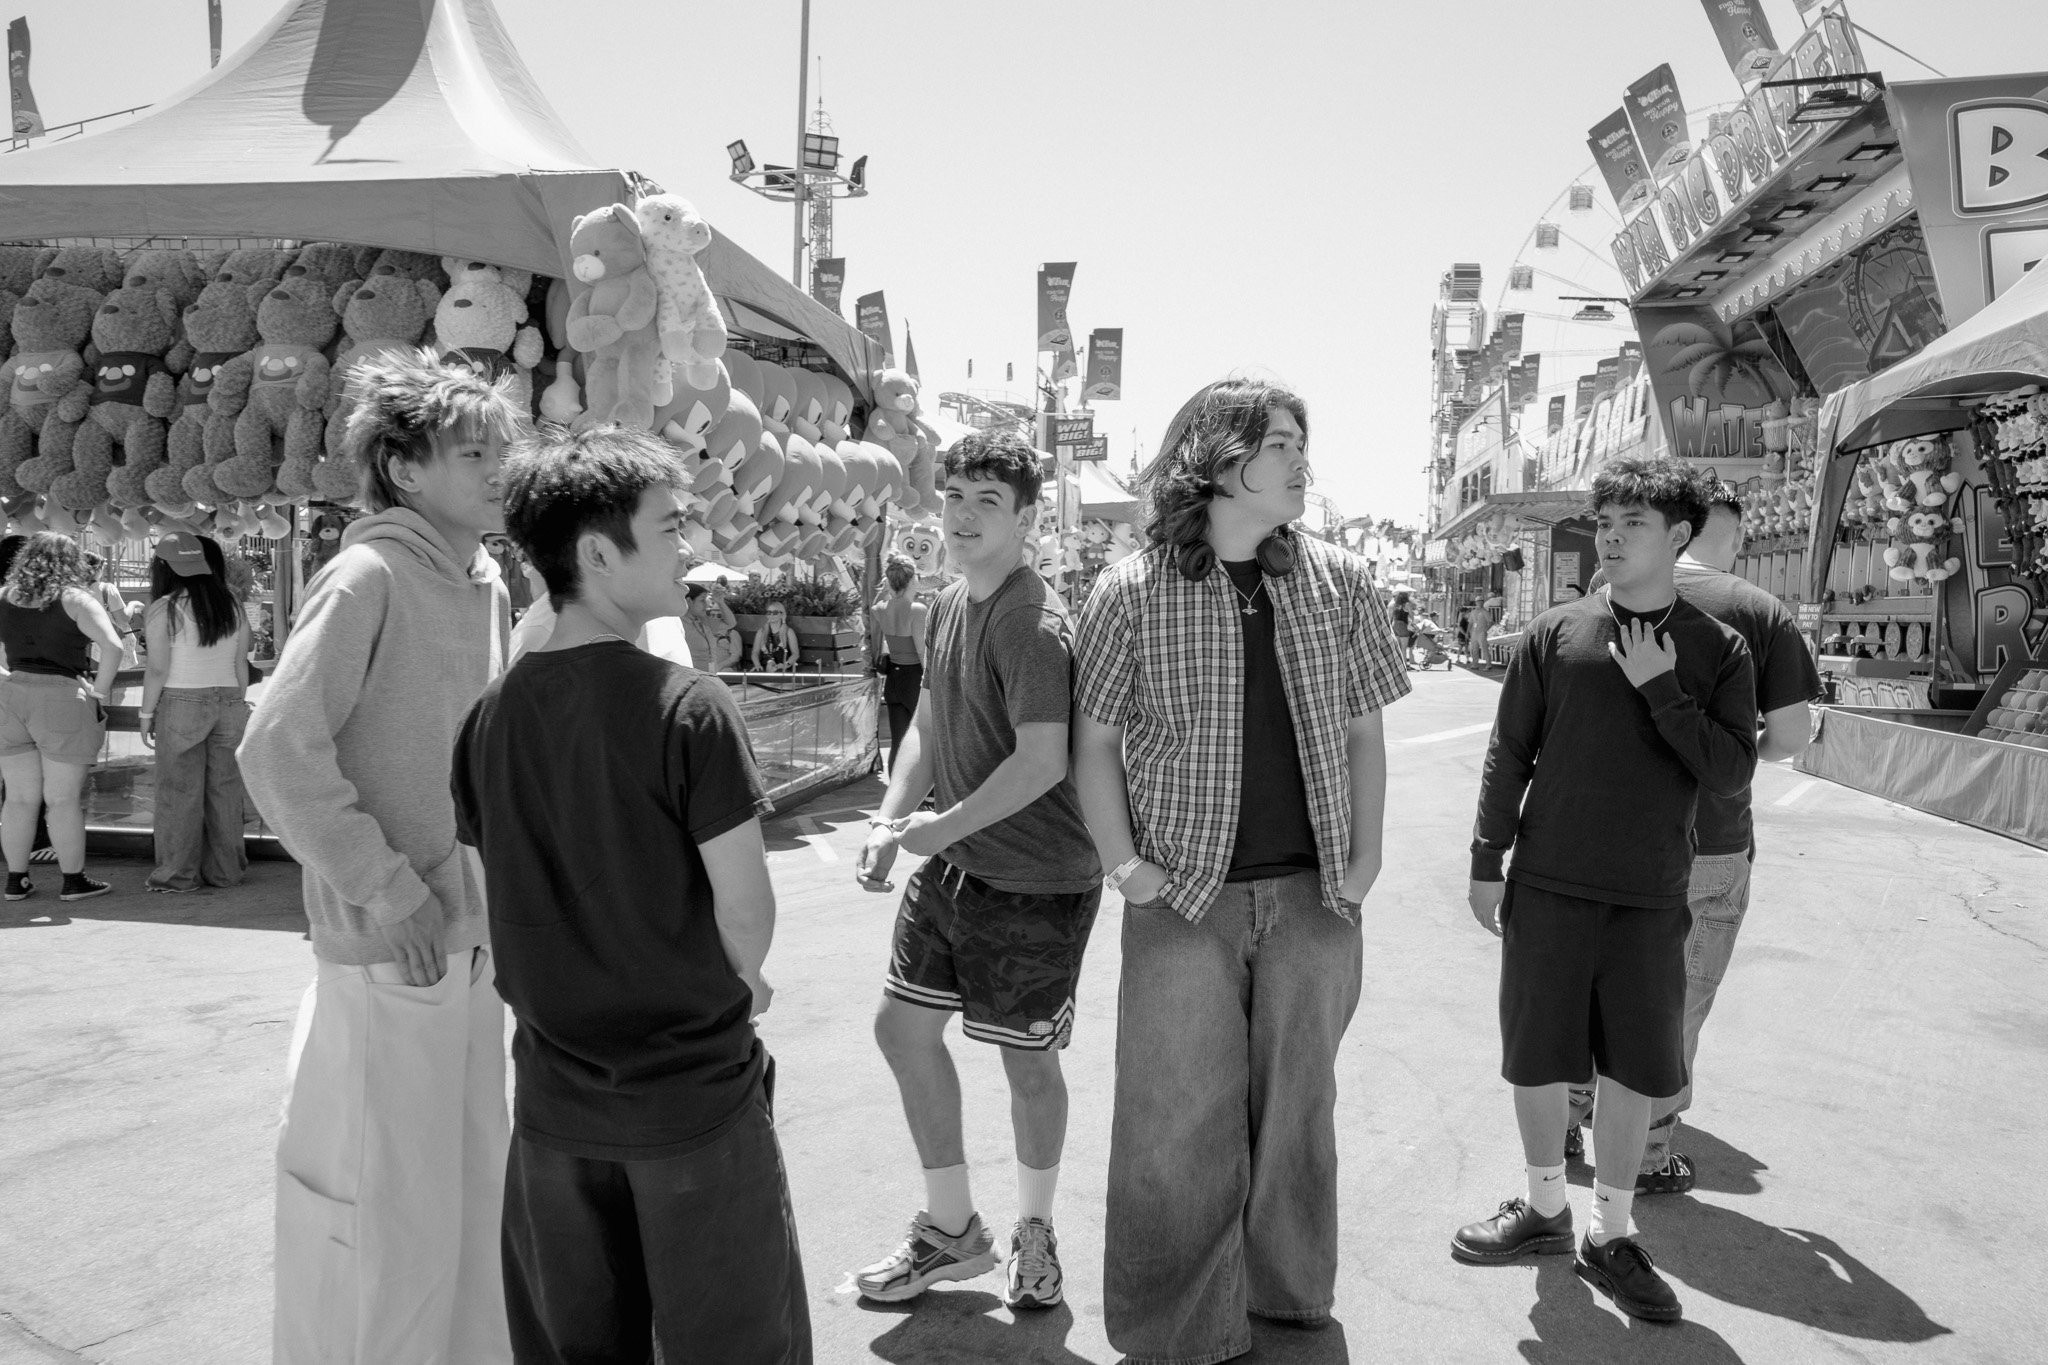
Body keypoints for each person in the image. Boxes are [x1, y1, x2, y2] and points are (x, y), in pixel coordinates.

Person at [1072, 378, 1409, 1363]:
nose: (1301, 459)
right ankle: (1178, 1330)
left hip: (1316, 898)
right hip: (1178, 897)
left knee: (1300, 1110)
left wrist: (1367, 857)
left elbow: (1362, 730)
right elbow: (1091, 744)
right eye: (1279, 442)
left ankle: (1288, 1301)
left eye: (1303, 440)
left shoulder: (1338, 580)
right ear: (1219, 459)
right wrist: (1123, 867)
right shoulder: (1128, 590)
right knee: (1171, 1123)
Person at [456, 426, 809, 1365]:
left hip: (552, 1110)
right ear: (599, 553)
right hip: (692, 1102)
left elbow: (498, 900)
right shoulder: (689, 705)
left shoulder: (486, 719)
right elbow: (748, 913)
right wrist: (746, 979)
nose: (689, 544)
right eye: (669, 527)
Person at [237, 351, 525, 1364]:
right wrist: (386, 889)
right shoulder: (366, 573)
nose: (499, 468)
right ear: (402, 467)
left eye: (502, 448)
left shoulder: (483, 581)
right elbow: (275, 746)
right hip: (386, 948)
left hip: (472, 949)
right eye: (470, 451)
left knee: (470, 1208)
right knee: (374, 1225)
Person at [1455, 457, 1757, 1325]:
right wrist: (1487, 859)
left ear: (1678, 537)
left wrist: (1661, 688)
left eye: (1634, 521)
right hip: (1547, 884)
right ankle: (1545, 1207)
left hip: (1651, 893)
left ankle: (1611, 1231)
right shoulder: (1555, 634)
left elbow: (1732, 769)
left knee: (1635, 1069)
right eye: (1607, 519)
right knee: (1538, 1054)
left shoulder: (1716, 648)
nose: (1614, 535)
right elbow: (1508, 753)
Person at [853, 428, 1102, 1311]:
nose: (961, 515)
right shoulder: (947, 601)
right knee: (902, 1029)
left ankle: (1034, 1230)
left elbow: (1041, 761)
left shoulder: (1036, 622)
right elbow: (925, 719)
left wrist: (938, 826)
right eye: (954, 496)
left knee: (1024, 1062)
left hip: (1036, 881)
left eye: (985, 501)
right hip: (951, 864)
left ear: (1026, 518)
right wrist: (891, 822)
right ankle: (953, 1231)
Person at [1563, 480, 1821, 1190]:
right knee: (1675, 1001)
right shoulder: (1760, 610)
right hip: (1710, 840)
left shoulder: (1610, 587)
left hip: (1601, 834)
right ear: (1723, 532)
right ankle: (1646, 1155)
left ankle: (1564, 1123)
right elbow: (1789, 739)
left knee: (1590, 983)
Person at [0, 533, 126, 902]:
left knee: (19, 799)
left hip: (11, 697)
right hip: (62, 697)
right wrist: (99, 691)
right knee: (62, 800)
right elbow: (113, 646)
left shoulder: (5, 595)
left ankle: (15, 881)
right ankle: (73, 882)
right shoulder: (75, 599)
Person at [138, 532, 253, 892]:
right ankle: (226, 871)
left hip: (182, 701)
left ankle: (176, 876)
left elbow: (157, 669)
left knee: (179, 793)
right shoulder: (232, 603)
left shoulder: (164, 608)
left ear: (164, 567)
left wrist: (145, 715)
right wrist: (233, 701)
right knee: (225, 790)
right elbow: (240, 665)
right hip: (231, 702)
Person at [872, 552, 928, 775]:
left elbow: (876, 603)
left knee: (898, 739)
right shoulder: (917, 610)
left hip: (893, 681)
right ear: (911, 579)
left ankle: (894, 786)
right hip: (913, 678)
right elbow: (922, 651)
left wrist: (887, 588)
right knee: (923, 736)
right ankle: (928, 792)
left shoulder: (880, 610)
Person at [682, 583, 738, 671]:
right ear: (689, 601)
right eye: (702, 600)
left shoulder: (703, 620)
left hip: (708, 676)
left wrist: (720, 602)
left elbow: (731, 623)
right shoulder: (678, 624)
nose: (706, 605)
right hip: (690, 678)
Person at [751, 599, 799, 672]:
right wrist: (757, 665)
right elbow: (755, 652)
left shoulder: (789, 632)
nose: (771, 615)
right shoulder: (761, 631)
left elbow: (795, 654)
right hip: (764, 665)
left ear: (782, 614)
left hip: (782, 666)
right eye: (769, 612)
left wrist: (786, 664)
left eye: (775, 612)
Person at [1392, 591, 1415, 668]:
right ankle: (1404, 665)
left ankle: (1397, 665)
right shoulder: (1407, 604)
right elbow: (1411, 615)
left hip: (1395, 625)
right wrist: (1412, 623)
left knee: (1397, 648)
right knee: (1404, 648)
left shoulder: (1396, 605)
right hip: (1402, 625)